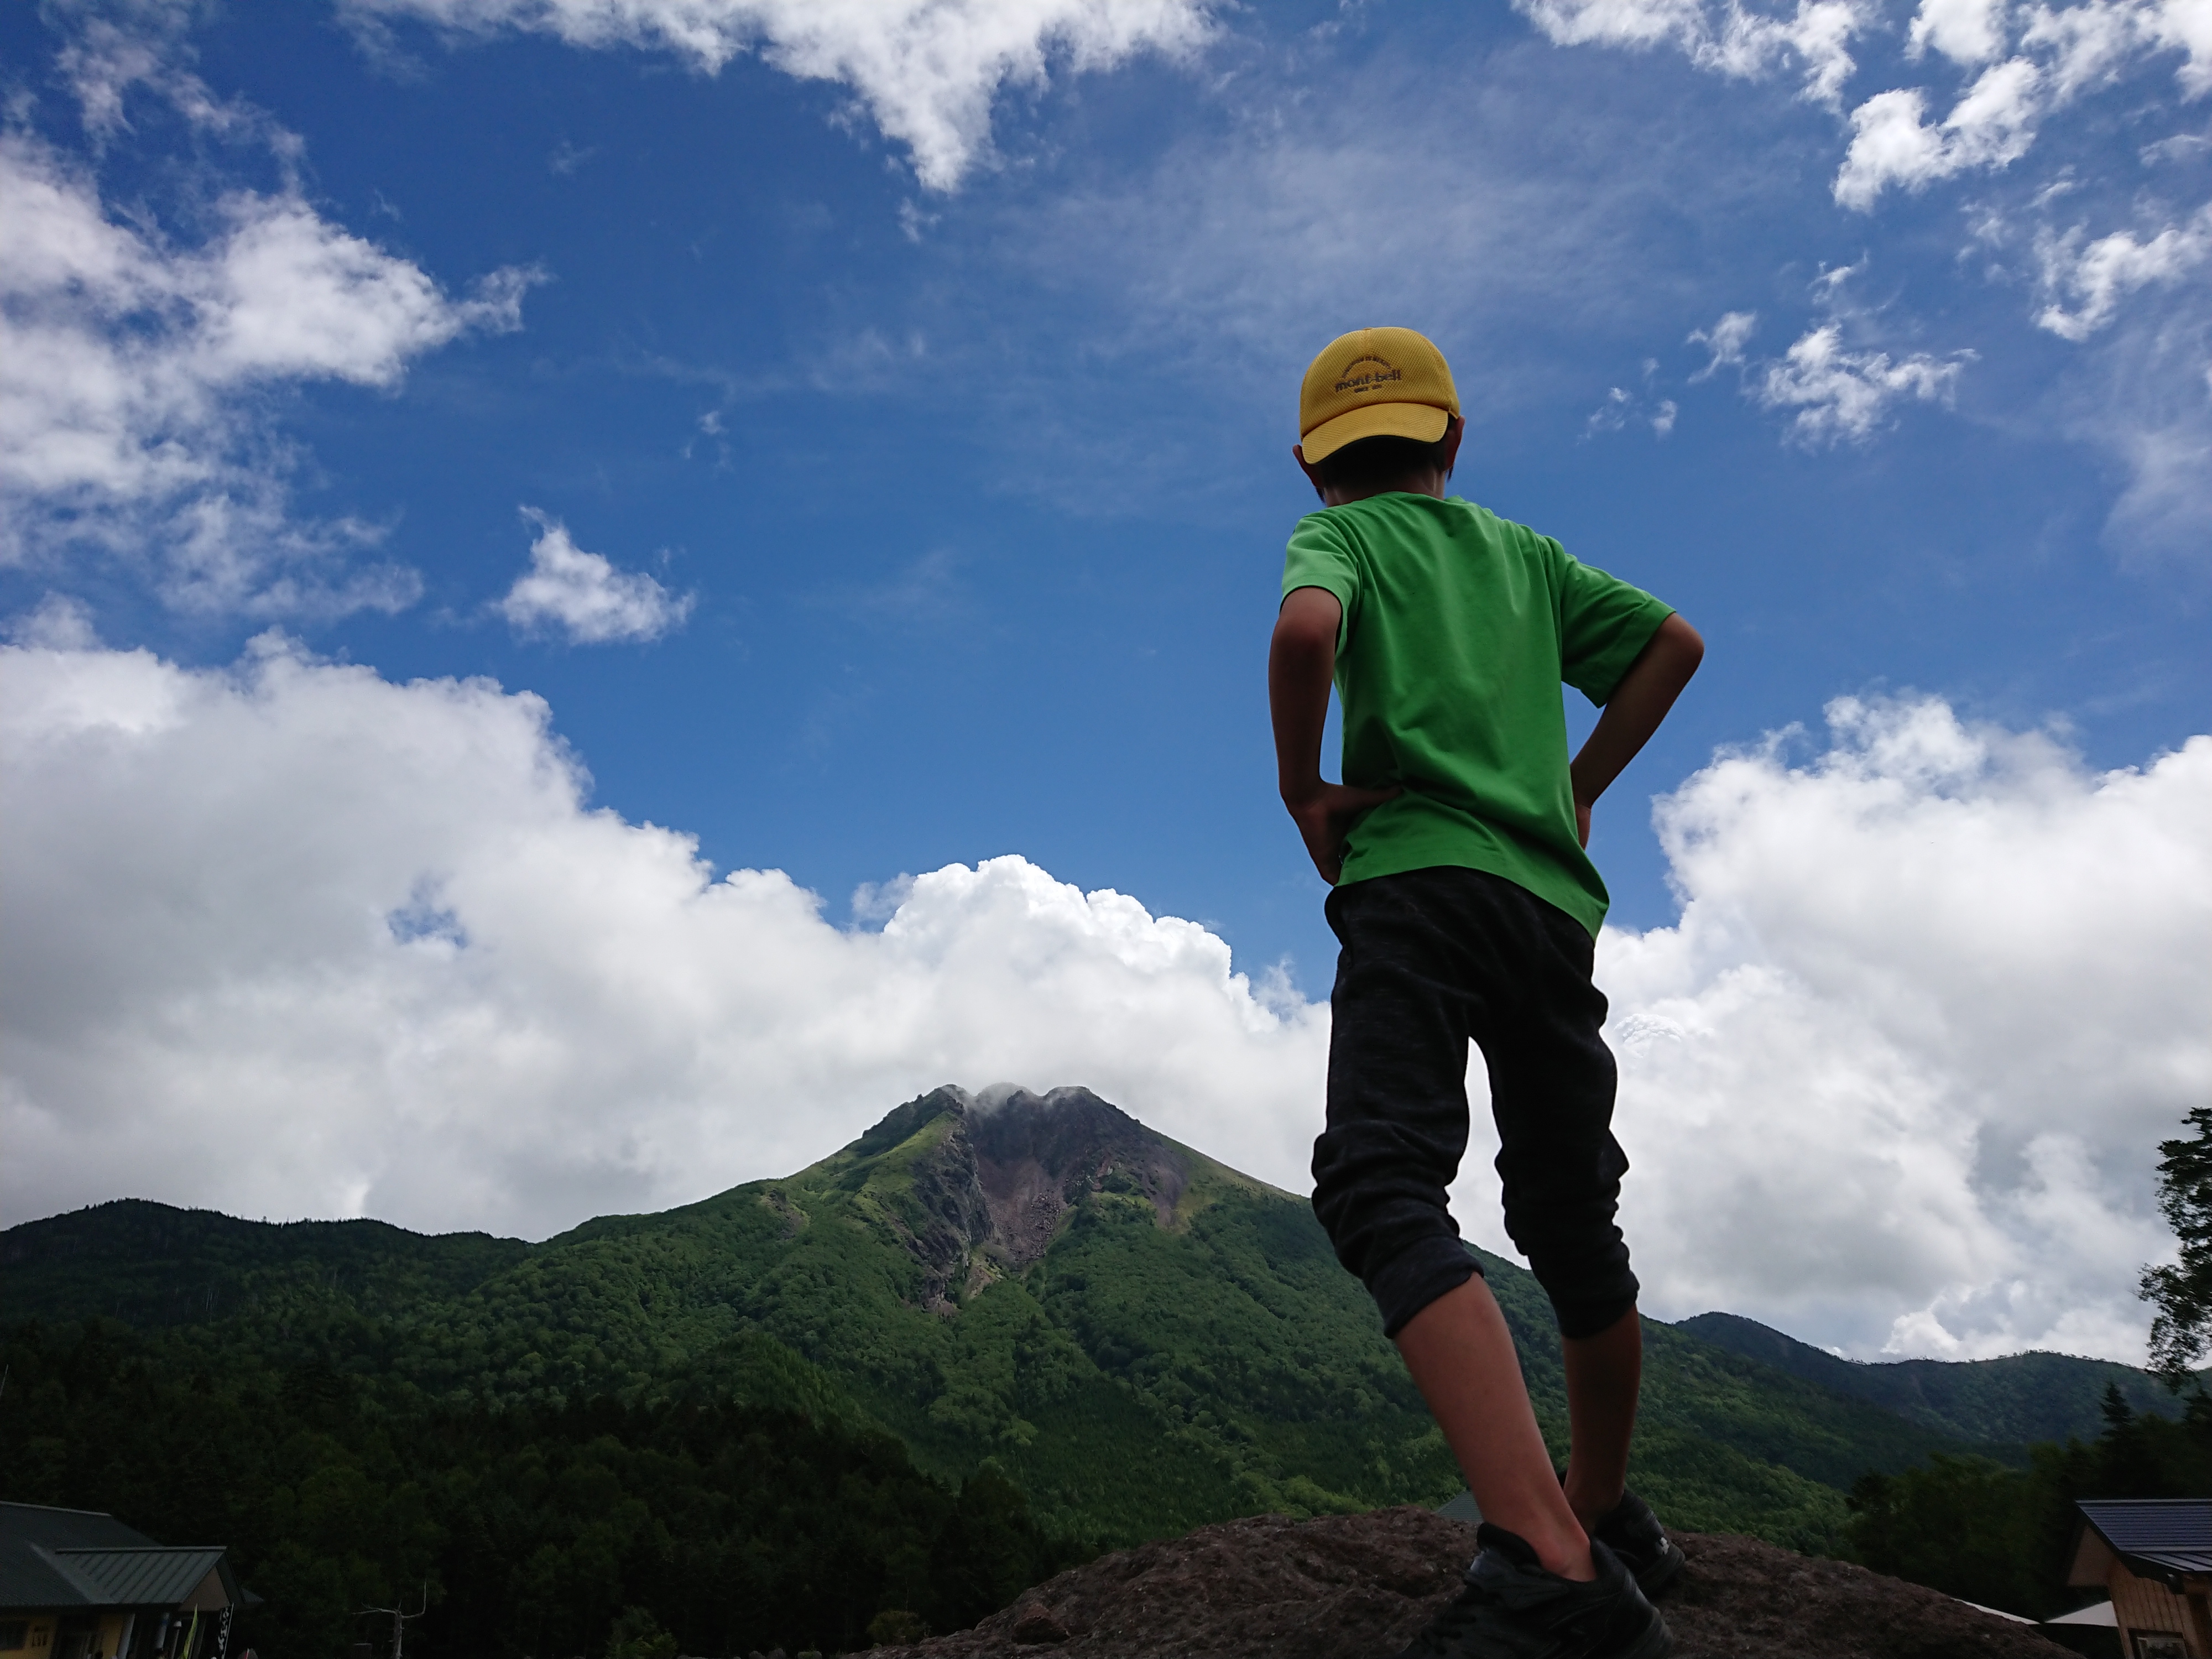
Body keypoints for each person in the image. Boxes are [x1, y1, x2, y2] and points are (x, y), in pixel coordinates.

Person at [1268, 328, 1704, 1659]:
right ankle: (1602, 1509)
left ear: (1311, 465)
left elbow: (1304, 629)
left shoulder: (1340, 538)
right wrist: (1572, 790)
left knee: (1379, 1180)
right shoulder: (1525, 557)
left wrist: (1303, 789)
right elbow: (1672, 644)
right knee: (1568, 1210)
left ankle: (1547, 1560)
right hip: (1547, 910)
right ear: (1451, 438)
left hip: (1414, 883)